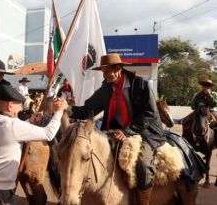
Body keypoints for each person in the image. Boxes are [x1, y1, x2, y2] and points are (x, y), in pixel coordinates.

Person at [69, 53, 166, 205]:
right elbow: (88, 109)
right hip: (114, 132)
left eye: (106, 71)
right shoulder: (107, 88)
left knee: (142, 163)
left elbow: (149, 114)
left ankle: (143, 202)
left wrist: (128, 132)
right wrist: (65, 110)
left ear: (118, 68)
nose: (104, 75)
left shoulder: (140, 85)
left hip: (143, 132)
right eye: (103, 71)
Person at [0, 85, 68, 205]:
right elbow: (48, 133)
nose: (20, 109)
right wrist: (59, 112)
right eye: (19, 105)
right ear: (10, 105)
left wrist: (30, 121)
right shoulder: (14, 125)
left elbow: (7, 132)